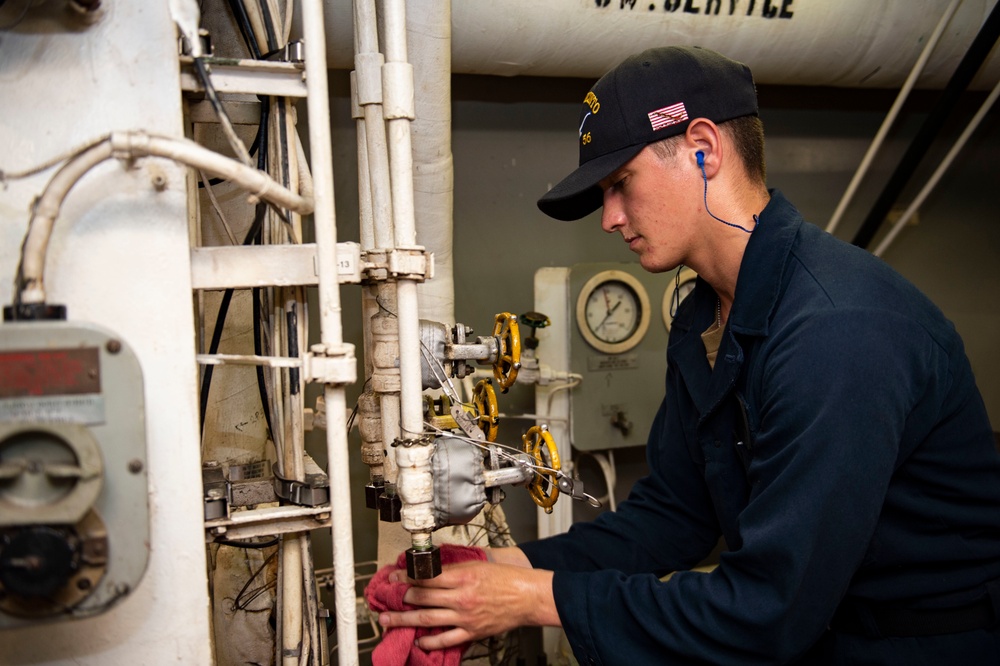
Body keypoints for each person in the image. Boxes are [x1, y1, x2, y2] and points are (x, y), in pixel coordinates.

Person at [377, 46, 1000, 664]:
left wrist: (537, 598)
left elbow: (768, 608)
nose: (609, 219)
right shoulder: (706, 315)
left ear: (703, 148)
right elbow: (677, 513)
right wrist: (510, 565)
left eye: (621, 184)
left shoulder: (838, 331)